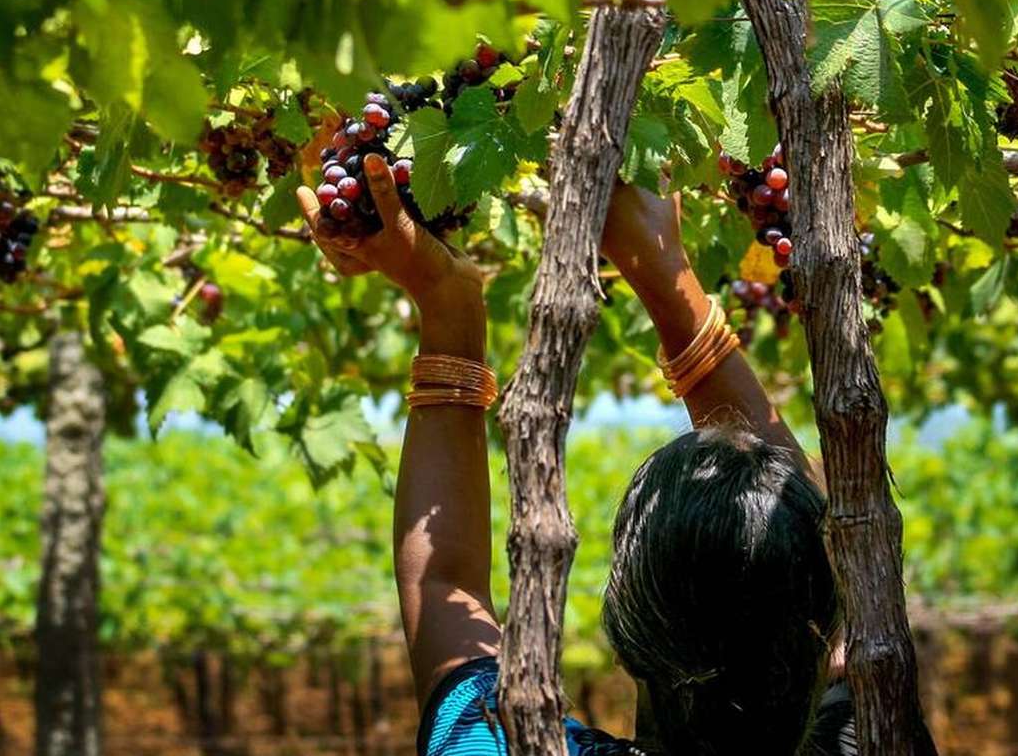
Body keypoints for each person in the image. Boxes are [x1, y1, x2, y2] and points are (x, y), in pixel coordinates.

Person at [298, 153, 855, 756]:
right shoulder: (879, 727)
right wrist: (669, 279)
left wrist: (447, 301)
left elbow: (441, 582)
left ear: (621, 637)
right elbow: (440, 586)